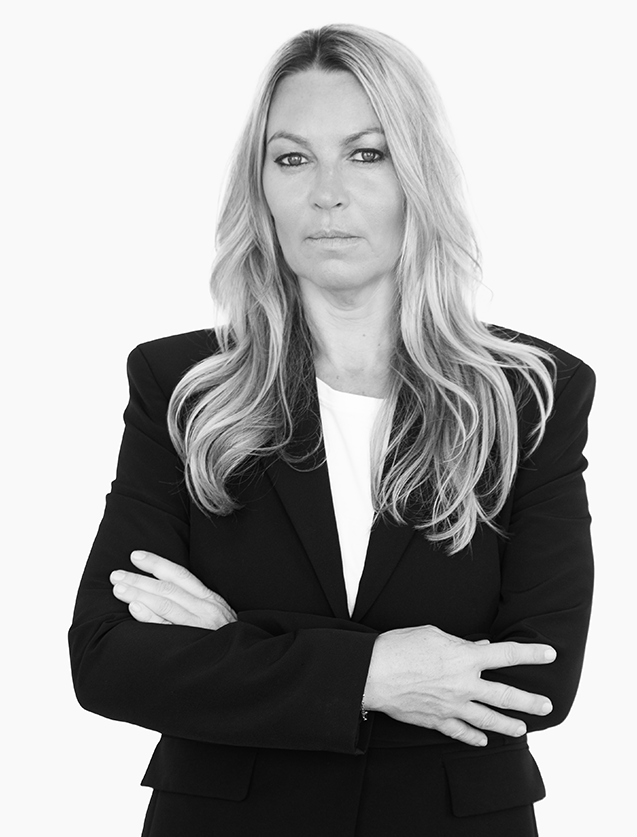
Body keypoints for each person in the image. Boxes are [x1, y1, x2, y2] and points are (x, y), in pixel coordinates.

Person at [69, 23, 595, 837]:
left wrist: (234, 639)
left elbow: (534, 682)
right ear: (261, 188)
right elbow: (107, 657)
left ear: (417, 174)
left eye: (366, 153)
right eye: (291, 158)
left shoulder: (528, 392)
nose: (326, 193)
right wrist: (373, 671)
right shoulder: (182, 385)